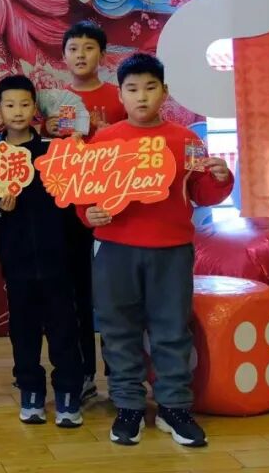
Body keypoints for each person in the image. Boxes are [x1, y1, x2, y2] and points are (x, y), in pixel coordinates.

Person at [82, 53, 233, 448]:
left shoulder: (186, 140)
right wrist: (88, 213)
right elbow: (86, 194)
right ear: (121, 94)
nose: (142, 96)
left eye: (150, 87)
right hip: (115, 249)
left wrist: (220, 179)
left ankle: (174, 407)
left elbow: (200, 192)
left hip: (171, 250)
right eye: (132, 89)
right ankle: (128, 406)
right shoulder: (105, 141)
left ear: (165, 92)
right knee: (118, 330)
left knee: (172, 329)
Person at [0, 75, 84, 428]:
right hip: (15, 260)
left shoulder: (53, 150)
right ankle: (30, 388)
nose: (17, 112)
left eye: (24, 104)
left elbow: (73, 197)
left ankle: (68, 392)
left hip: (58, 257)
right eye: (10, 105)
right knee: (23, 328)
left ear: (35, 108)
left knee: (64, 327)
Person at [45, 19, 127, 402]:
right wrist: (50, 131)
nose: (80, 55)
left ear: (102, 55)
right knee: (77, 293)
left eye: (88, 48)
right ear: (63, 56)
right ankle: (85, 375)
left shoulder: (119, 97)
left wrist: (111, 136)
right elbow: (56, 154)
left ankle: (121, 374)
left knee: (114, 294)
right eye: (73, 49)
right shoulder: (57, 101)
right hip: (70, 211)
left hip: (115, 209)